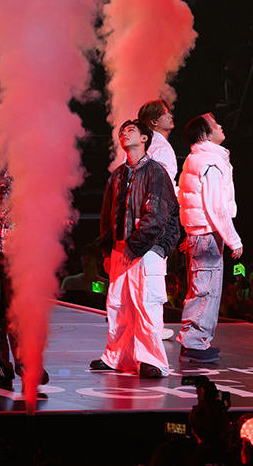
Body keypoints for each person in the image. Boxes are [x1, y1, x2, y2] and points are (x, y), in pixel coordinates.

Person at [91, 120, 180, 378]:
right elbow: (107, 215)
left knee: (146, 304)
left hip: (146, 249)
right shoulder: (118, 175)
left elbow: (158, 215)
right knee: (117, 304)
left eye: (131, 130)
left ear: (144, 138)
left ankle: (152, 360)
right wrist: (108, 251)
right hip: (122, 248)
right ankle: (117, 356)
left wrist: (135, 247)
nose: (124, 133)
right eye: (122, 130)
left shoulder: (156, 172)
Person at [177, 113, 243, 362]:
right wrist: (233, 239)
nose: (221, 126)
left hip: (198, 234)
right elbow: (216, 206)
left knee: (200, 289)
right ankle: (194, 344)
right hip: (207, 235)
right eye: (216, 125)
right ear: (205, 134)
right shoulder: (210, 162)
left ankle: (194, 342)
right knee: (207, 291)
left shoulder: (195, 159)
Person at [137, 99, 178, 192]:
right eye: (165, 113)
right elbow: (163, 186)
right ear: (154, 122)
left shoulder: (139, 144)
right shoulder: (161, 148)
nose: (170, 116)